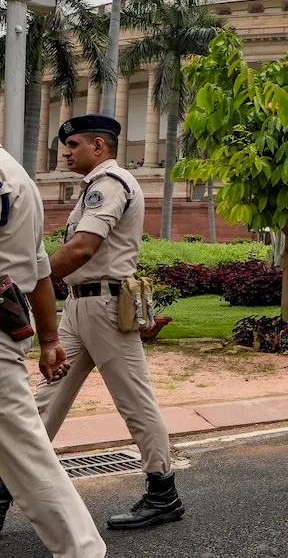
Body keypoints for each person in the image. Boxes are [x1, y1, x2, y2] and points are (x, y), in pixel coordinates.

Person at [33, 115, 184, 530]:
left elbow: (83, 248)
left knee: (134, 402)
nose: (65, 151)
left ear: (99, 146)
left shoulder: (110, 185)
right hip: (80, 306)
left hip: (104, 307)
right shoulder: (93, 188)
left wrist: (31, 279)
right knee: (47, 396)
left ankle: (163, 492)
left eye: (73, 144)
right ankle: (6, 484)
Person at [0, 143, 106, 557]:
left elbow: (50, 263)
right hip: (19, 317)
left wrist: (50, 339)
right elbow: (40, 267)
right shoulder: (18, 175)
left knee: (28, 457)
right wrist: (48, 339)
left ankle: (83, 551)